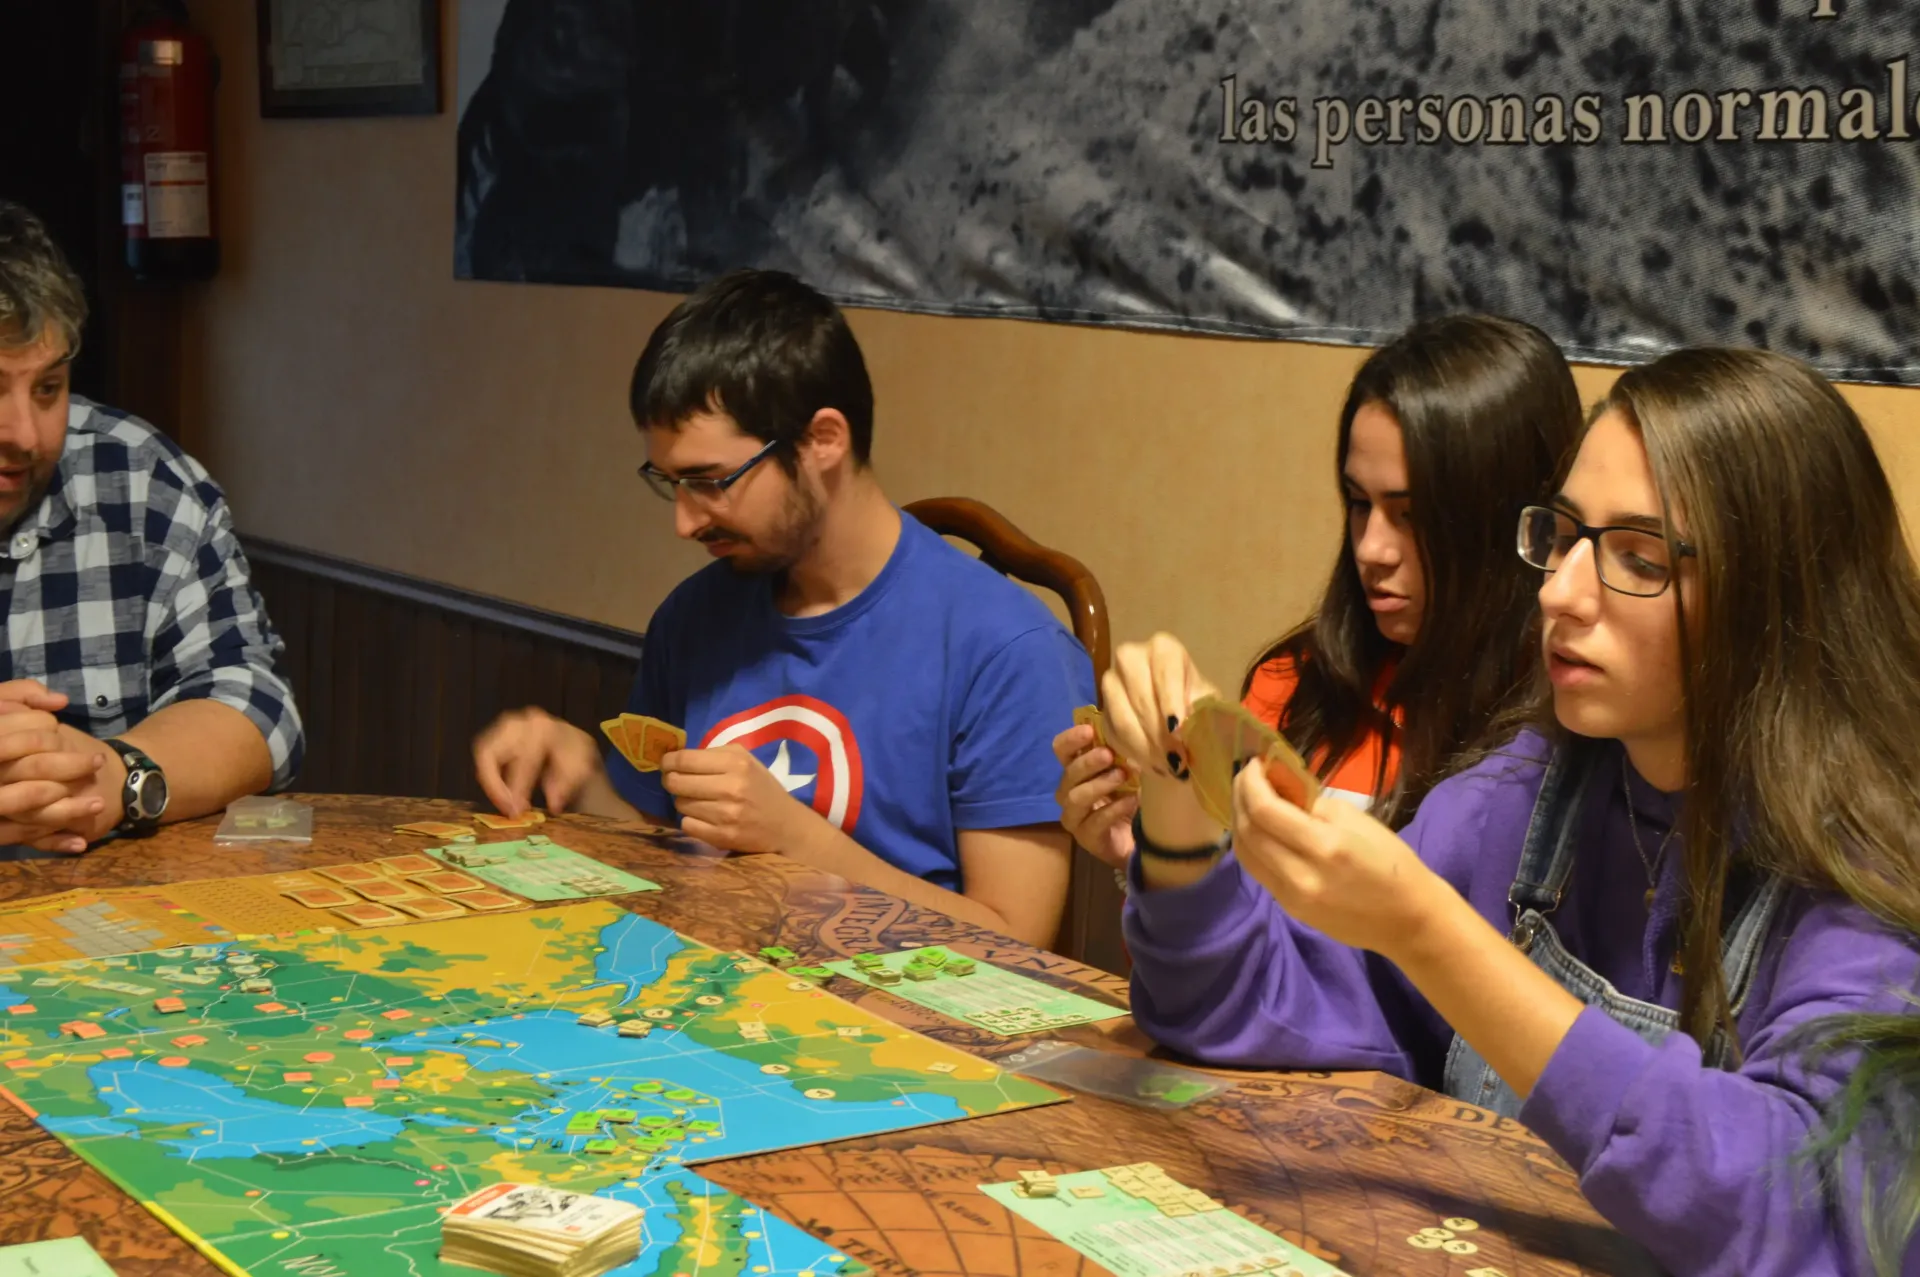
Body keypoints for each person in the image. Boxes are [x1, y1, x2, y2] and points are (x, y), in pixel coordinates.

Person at [1116, 348, 1920, 1275]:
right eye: (1565, 536)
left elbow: (1803, 1216)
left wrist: (1432, 932)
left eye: (1637, 558)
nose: (1559, 592)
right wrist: (1177, 796)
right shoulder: (1527, 789)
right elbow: (1226, 1007)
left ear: (1777, 596)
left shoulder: (1870, 868)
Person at [473, 269, 1093, 947]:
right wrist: (582, 774)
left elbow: (1017, 948)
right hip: (704, 997)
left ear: (823, 439)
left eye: (711, 482)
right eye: (670, 483)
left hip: (903, 1030)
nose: (685, 522)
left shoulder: (1009, 648)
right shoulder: (694, 615)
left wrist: (796, 839)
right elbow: (666, 854)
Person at [1054, 314, 1583, 869]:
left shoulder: (1570, 728)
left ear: (1522, 525)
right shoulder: (1299, 689)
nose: (1371, 549)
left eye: (1414, 515)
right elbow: (1242, 935)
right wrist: (1156, 851)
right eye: (1359, 504)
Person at [0, 201, 303, 856]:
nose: (23, 435)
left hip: (96, 934)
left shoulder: (141, 480)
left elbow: (258, 709)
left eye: (47, 388)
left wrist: (118, 776)